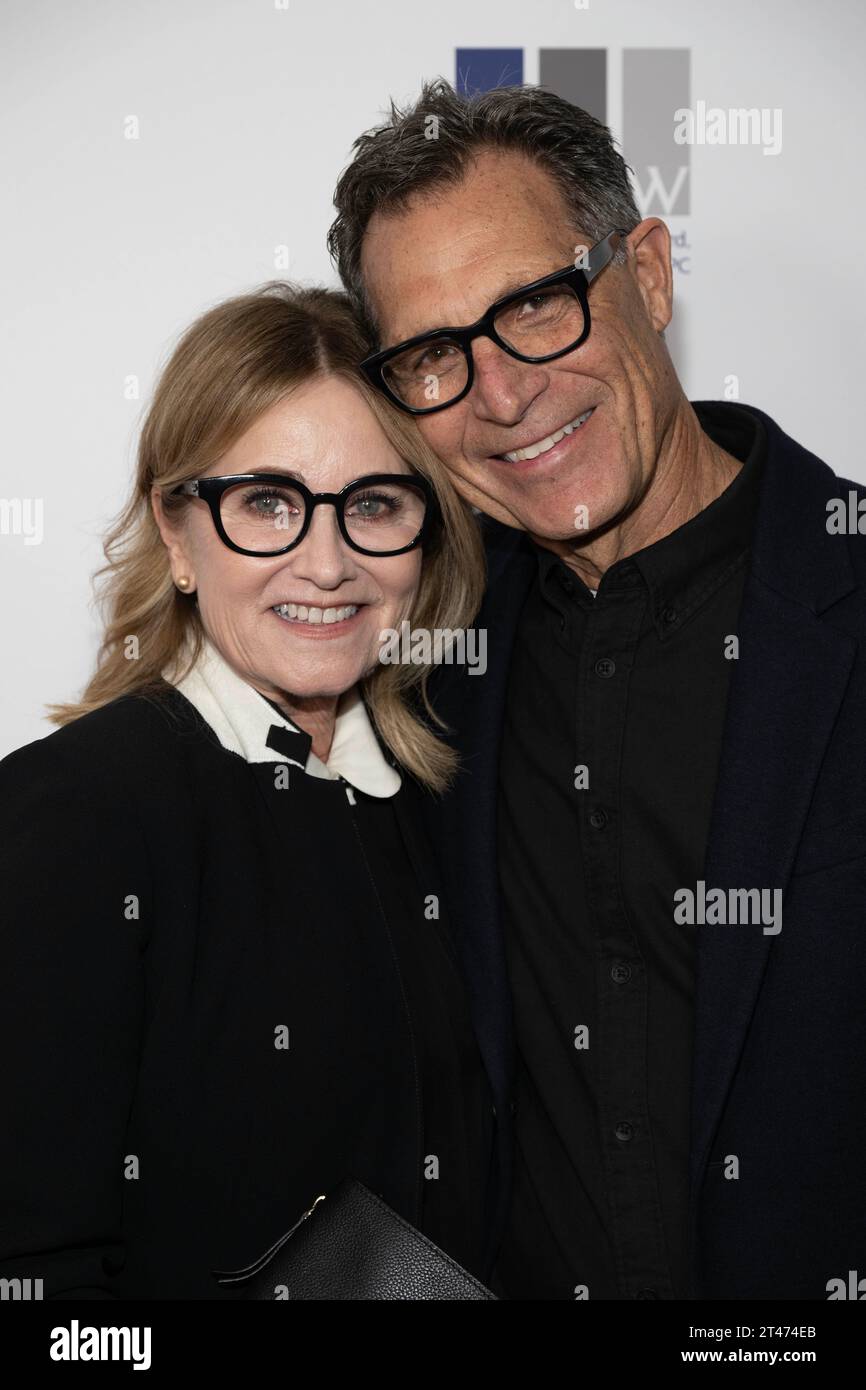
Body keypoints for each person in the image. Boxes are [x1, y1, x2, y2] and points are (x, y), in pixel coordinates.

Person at [327, 78, 866, 1300]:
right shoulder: (423, 669)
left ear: (649, 274)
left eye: (535, 306)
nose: (501, 394)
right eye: (432, 356)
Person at [0, 282, 496, 1299]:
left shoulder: (445, 804)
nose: (326, 562)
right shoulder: (72, 817)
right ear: (177, 536)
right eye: (266, 502)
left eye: (372, 504)